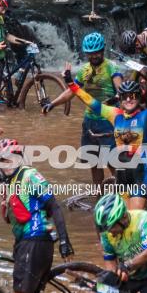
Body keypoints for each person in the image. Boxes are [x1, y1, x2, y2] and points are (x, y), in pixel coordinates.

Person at [63, 66, 147, 210]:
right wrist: (71, 83)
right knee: (125, 216)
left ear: (139, 98)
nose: (128, 99)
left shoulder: (146, 115)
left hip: (142, 171)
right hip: (122, 173)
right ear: (119, 100)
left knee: (135, 214)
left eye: (133, 96)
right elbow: (90, 101)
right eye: (124, 96)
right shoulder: (115, 114)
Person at [0, 138, 74, 293]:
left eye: (10, 159)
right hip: (27, 243)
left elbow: (54, 206)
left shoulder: (29, 176)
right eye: (3, 160)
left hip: (35, 241)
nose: (6, 164)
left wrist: (64, 241)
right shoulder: (10, 183)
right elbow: (12, 218)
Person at [42, 32, 123, 187]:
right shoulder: (84, 71)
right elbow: (71, 91)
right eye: (90, 54)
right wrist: (52, 104)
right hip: (90, 121)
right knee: (94, 162)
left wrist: (115, 99)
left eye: (97, 53)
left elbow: (122, 92)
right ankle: (99, 194)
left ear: (103, 50)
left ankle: (123, 194)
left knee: (112, 162)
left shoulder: (112, 68)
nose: (94, 57)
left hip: (108, 121)